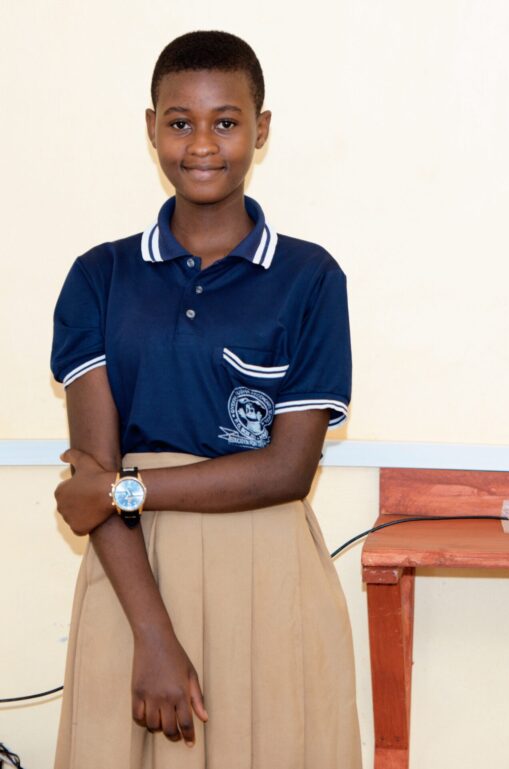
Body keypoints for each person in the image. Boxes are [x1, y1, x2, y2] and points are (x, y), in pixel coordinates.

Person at [50, 31, 362, 767]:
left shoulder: (311, 277)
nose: (202, 144)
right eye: (179, 121)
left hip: (268, 572)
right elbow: (89, 470)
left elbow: (287, 470)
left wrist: (123, 487)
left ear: (262, 129)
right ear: (151, 126)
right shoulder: (100, 276)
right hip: (133, 577)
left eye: (226, 121)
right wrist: (153, 637)